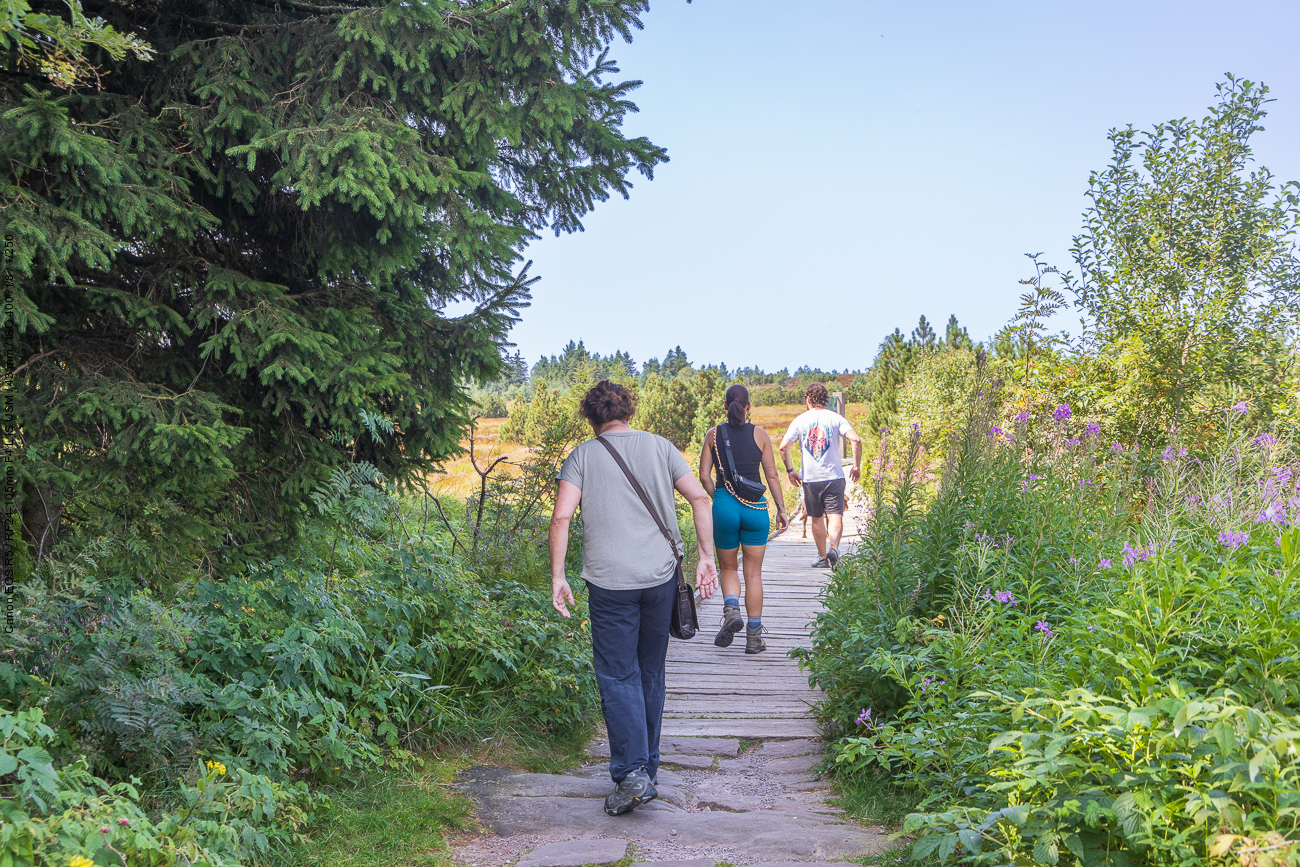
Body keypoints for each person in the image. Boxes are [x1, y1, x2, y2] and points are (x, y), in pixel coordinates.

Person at [548, 380, 718, 817]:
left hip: (609, 584)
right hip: (660, 578)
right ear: (628, 411)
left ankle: (632, 772)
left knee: (617, 674)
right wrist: (705, 558)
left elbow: (562, 517)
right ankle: (648, 768)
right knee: (649, 670)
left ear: (590, 417)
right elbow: (700, 496)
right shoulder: (661, 446)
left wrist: (558, 576)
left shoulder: (582, 457)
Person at [698, 385, 789, 655]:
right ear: (749, 406)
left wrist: (721, 499)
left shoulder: (712, 435)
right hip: (755, 509)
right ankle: (754, 638)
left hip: (725, 506)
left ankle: (731, 610)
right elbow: (772, 475)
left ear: (725, 405)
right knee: (753, 574)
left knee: (728, 569)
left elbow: (704, 475)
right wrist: (781, 509)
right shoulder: (760, 435)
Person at [779, 382, 863, 568]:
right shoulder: (836, 418)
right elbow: (855, 439)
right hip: (834, 476)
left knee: (816, 518)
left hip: (810, 479)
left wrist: (790, 471)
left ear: (808, 400)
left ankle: (823, 556)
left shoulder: (799, 420)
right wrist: (856, 466)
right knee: (835, 516)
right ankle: (833, 548)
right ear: (825, 400)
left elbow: (783, 447)